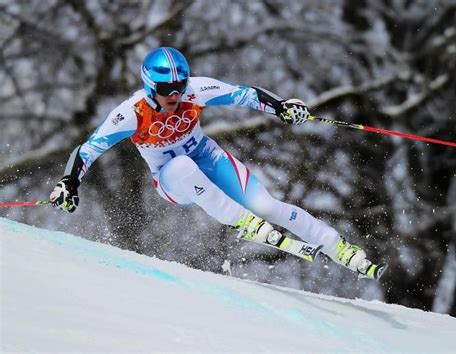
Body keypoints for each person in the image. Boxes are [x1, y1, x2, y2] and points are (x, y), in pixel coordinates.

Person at [50, 47, 385, 279]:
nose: (175, 94)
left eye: (179, 86)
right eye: (166, 88)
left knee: (265, 204)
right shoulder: (131, 112)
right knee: (182, 166)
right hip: (171, 180)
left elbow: (246, 95)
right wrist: (69, 182)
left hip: (207, 157)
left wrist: (282, 107)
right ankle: (243, 222)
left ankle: (338, 247)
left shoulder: (196, 90)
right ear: (151, 86)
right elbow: (88, 149)